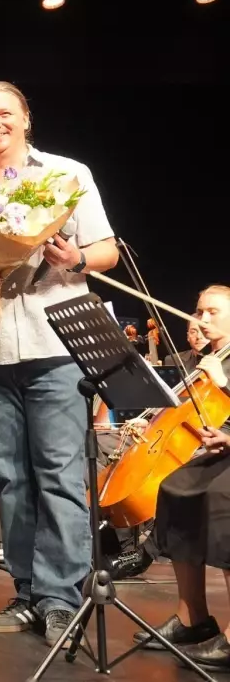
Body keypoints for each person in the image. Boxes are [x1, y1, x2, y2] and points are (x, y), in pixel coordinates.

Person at [0, 80, 118, 646]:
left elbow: (107, 249)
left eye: (4, 113)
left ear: (25, 118)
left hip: (56, 346)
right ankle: (27, 593)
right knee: (11, 479)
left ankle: (61, 597)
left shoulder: (67, 174)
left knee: (60, 476)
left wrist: (76, 257)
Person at [133, 284, 230, 671]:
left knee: (223, 496)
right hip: (223, 453)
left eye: (212, 312)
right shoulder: (212, 359)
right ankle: (193, 619)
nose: (202, 320)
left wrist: (223, 382)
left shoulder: (218, 366)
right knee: (176, 486)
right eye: (199, 312)